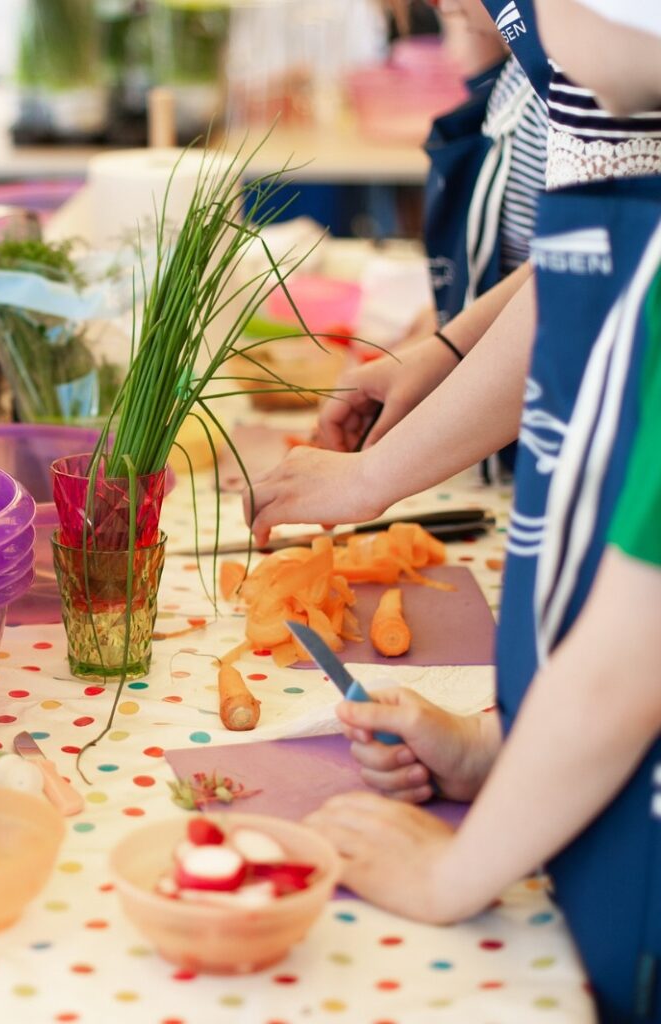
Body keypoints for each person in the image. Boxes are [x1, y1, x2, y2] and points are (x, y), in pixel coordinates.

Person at [247, 7, 661, 1020]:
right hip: (581, 785)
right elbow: (570, 281)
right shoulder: (624, 117)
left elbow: (629, 667)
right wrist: (501, 749)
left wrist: (454, 872)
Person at [315, 0, 549, 456]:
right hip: (503, 422)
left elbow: (562, 282)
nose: (435, 5)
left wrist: (374, 477)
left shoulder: (583, 83)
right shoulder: (527, 69)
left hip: (550, 427)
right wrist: (440, 344)